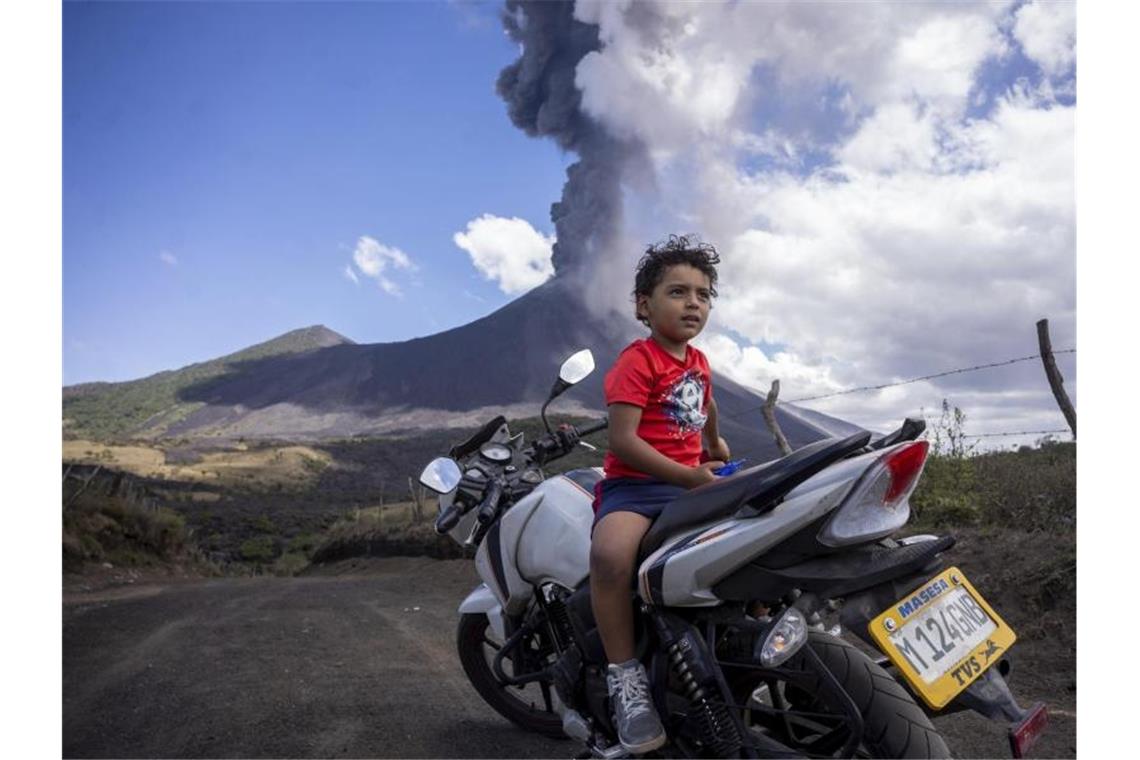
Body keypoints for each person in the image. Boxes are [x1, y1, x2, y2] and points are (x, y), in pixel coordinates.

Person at [589, 234, 730, 753]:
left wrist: (712, 443)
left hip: (686, 480)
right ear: (644, 307)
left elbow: (705, 401)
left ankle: (757, 637)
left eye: (703, 293)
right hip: (637, 487)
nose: (693, 302)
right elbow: (622, 440)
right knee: (609, 557)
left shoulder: (698, 360)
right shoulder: (637, 361)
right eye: (678, 292)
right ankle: (625, 677)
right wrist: (688, 475)